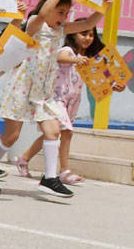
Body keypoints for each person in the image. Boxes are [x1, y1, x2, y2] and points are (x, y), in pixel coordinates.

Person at [0, 0, 112, 197]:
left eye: (66, 13)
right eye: (60, 12)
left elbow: (88, 24)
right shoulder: (34, 24)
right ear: (48, 8)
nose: (63, 17)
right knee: (11, 135)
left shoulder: (61, 31)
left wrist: (105, 6)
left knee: (54, 131)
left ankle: (49, 178)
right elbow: (41, 14)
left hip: (43, 90)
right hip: (22, 86)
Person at [16, 26, 124, 184]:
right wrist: (75, 59)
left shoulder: (89, 59)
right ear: (73, 35)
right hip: (57, 99)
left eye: (91, 35)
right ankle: (64, 171)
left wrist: (114, 86)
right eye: (84, 33)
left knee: (54, 133)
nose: (88, 38)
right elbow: (60, 57)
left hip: (73, 102)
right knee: (67, 132)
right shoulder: (69, 51)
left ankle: (24, 159)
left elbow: (99, 80)